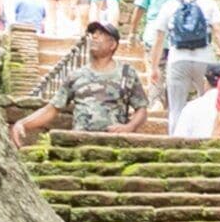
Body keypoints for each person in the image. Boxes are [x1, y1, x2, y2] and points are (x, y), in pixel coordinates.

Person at [11, 20, 149, 143]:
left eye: (100, 33)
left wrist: (129, 127)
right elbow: (52, 109)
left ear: (112, 44)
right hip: (79, 142)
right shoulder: (76, 75)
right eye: (93, 33)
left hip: (113, 142)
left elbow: (141, 109)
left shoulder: (126, 73)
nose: (94, 36)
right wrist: (22, 123)